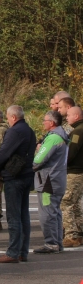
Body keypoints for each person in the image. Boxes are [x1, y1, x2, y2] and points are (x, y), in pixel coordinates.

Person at [0, 105, 37, 263]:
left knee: (13, 216)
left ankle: (12, 252)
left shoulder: (15, 131)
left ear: (13, 117)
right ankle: (22, 251)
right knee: (23, 214)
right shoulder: (30, 131)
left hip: (15, 176)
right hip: (27, 174)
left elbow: (4, 152)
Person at [33, 110, 68, 254]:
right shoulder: (62, 135)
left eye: (45, 120)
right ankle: (57, 242)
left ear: (52, 123)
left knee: (47, 213)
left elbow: (38, 161)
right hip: (57, 178)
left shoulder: (53, 138)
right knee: (55, 212)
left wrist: (37, 153)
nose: (43, 123)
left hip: (48, 180)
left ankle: (51, 243)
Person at [63, 106, 83, 248]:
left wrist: (61, 163)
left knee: (66, 202)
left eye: (69, 115)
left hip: (75, 172)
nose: (66, 117)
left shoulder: (77, 132)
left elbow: (71, 152)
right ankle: (80, 231)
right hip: (79, 171)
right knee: (75, 203)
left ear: (76, 116)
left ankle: (71, 235)